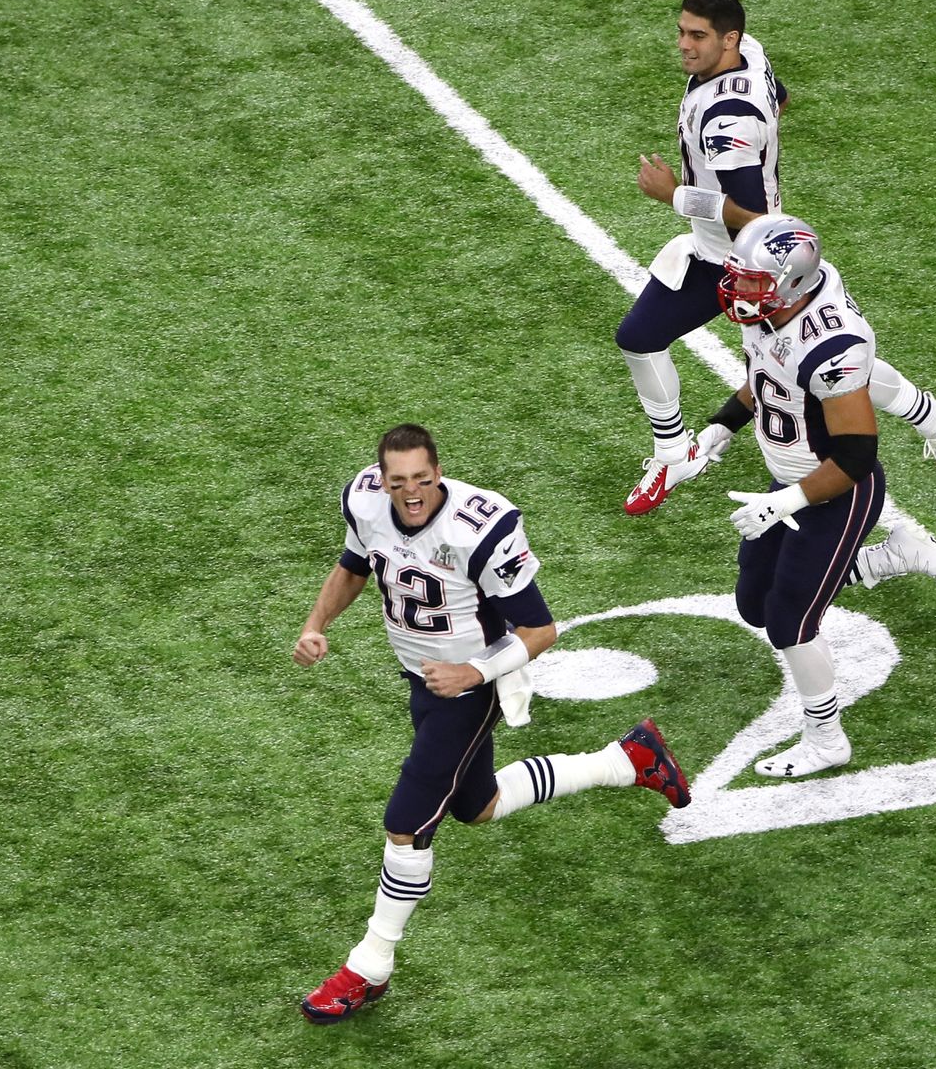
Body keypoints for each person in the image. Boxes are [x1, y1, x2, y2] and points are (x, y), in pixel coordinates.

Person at [294, 424, 691, 1023]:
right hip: (423, 679)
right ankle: (627, 759)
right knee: (475, 805)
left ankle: (368, 966)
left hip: (471, 685)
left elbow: (540, 631)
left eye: (422, 481)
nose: (410, 494)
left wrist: (473, 675)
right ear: (380, 479)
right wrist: (315, 623)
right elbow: (353, 567)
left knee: (407, 823)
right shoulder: (365, 500)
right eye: (397, 482)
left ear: (439, 473)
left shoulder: (480, 530)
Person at [620, 0, 936, 515]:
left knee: (791, 361)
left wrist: (676, 195)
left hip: (745, 261)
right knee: (806, 361)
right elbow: (778, 97)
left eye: (697, 36)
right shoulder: (750, 53)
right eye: (682, 32)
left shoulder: (726, 121)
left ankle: (673, 452)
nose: (684, 45)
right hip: (727, 249)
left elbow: (755, 216)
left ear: (728, 38)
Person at [699, 216, 936, 778]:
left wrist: (782, 504)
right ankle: (893, 555)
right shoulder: (778, 306)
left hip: (835, 493)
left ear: (793, 282)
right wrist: (720, 427)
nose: (739, 291)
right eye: (740, 277)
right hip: (789, 480)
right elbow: (766, 372)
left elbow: (853, 459)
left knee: (789, 622)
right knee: (753, 605)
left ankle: (825, 739)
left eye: (752, 282)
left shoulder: (832, 346)